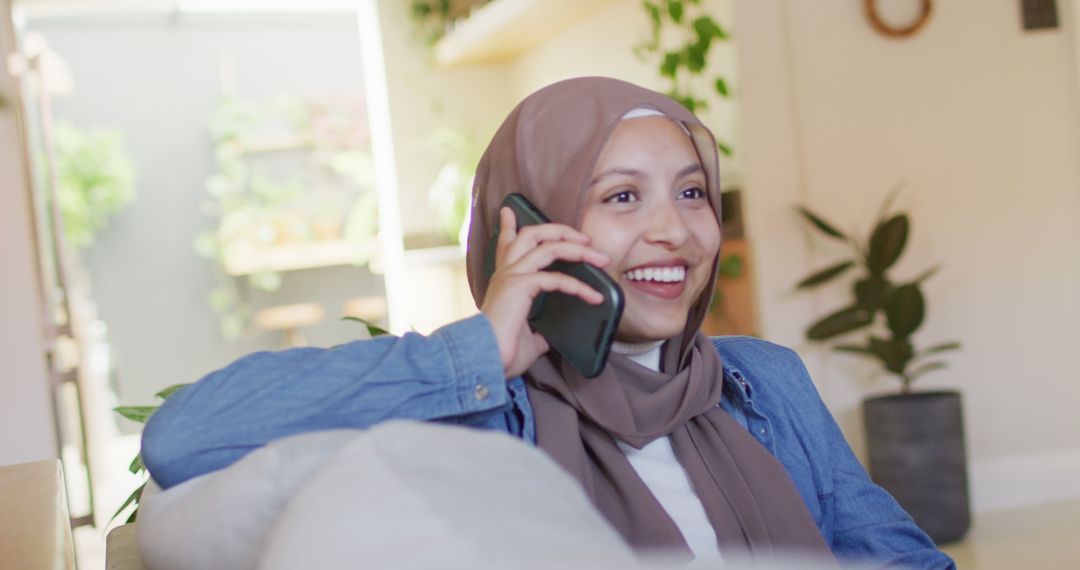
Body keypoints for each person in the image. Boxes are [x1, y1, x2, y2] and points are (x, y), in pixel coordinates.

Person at [142, 77, 954, 568]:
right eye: (622, 197)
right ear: (529, 224)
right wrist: (481, 350)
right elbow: (184, 439)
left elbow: (896, 557)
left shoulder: (765, 380)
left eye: (693, 191)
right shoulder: (483, 410)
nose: (674, 230)